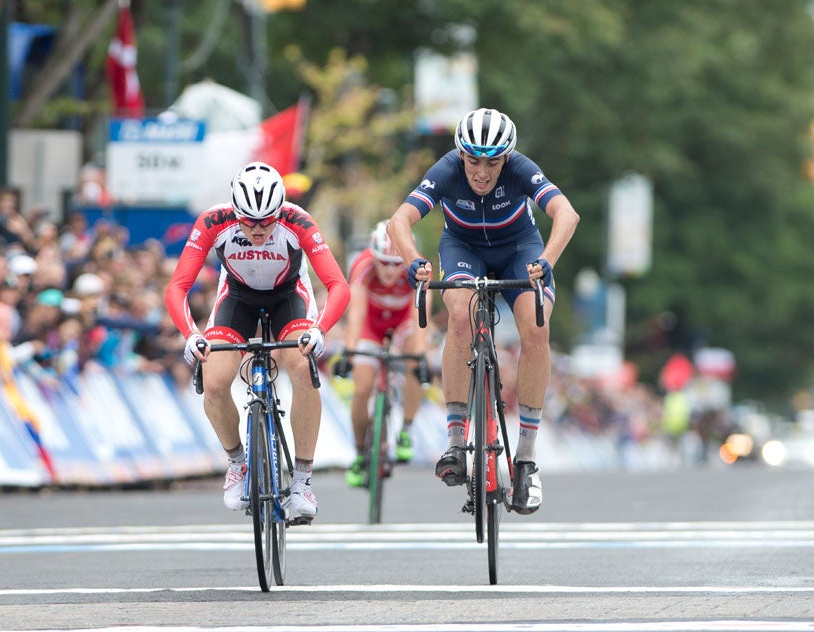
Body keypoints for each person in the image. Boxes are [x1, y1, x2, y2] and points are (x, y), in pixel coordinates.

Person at [386, 107, 580, 514]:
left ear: (507, 158)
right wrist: (412, 261)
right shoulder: (446, 169)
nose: (481, 171)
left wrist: (547, 260)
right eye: (473, 160)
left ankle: (525, 458)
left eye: (492, 162)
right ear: (461, 154)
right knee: (459, 317)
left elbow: (566, 213)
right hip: (463, 250)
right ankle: (456, 441)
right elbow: (399, 221)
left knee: (535, 329)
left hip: (519, 250)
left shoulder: (521, 169)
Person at [165, 161, 350, 523]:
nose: (259, 228)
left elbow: (338, 285)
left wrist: (320, 329)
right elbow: (177, 286)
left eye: (268, 220)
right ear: (235, 211)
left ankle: (301, 481)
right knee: (215, 381)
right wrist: (191, 334)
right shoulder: (213, 222)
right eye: (249, 220)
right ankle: (236, 463)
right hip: (237, 299)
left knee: (302, 365)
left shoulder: (298, 222)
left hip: (288, 299)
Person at [334, 221, 430, 488]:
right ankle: (359, 453)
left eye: (395, 263)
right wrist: (349, 353)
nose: (389, 270)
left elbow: (420, 318)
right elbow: (356, 314)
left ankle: (406, 431)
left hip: (402, 322)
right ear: (372, 256)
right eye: (382, 262)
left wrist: (420, 356)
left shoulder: (417, 266)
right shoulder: (363, 266)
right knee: (362, 388)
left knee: (415, 360)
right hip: (371, 325)